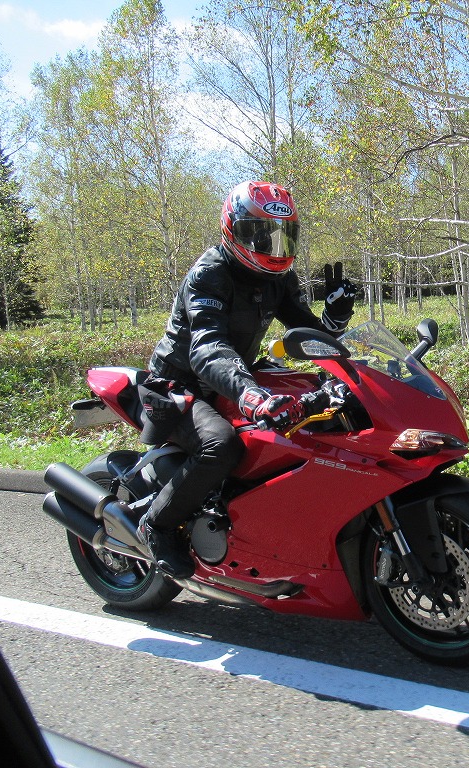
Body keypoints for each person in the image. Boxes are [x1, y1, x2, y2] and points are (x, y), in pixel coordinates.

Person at [136, 180, 357, 579]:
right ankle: (156, 525)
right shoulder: (209, 275)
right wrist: (252, 396)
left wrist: (335, 319)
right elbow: (206, 348)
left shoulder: (278, 279)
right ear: (233, 228)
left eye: (282, 235)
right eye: (261, 234)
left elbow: (306, 335)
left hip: (236, 376)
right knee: (221, 445)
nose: (273, 246)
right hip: (181, 383)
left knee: (313, 415)